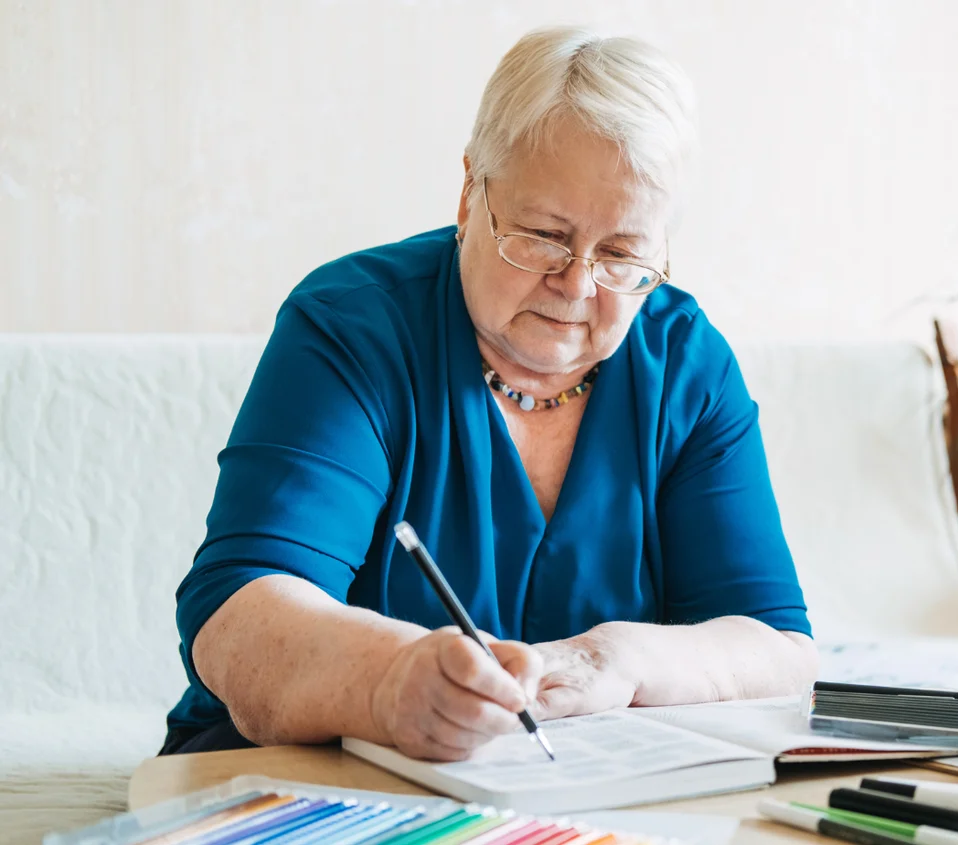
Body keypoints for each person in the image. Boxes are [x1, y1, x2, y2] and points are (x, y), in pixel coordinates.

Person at [163, 26, 817, 762]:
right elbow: (237, 617)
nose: (576, 283)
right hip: (322, 770)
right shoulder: (352, 327)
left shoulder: (684, 361)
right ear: (471, 194)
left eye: (622, 252)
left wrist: (621, 661)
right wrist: (389, 681)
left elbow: (779, 649)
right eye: (543, 233)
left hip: (572, 785)